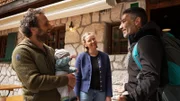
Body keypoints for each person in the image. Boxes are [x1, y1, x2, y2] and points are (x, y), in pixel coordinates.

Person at [11, 8, 76, 101]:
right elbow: (33, 82)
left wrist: (70, 79)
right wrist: (66, 80)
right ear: (33, 29)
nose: (51, 26)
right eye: (46, 24)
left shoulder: (49, 50)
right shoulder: (21, 52)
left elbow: (58, 70)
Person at [118, 7, 167, 101]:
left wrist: (131, 98)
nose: (120, 26)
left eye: (123, 21)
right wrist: (126, 86)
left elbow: (151, 78)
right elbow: (139, 74)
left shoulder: (147, 42)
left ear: (137, 21)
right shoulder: (140, 42)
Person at [74, 32, 113, 101]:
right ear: (85, 44)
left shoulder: (105, 57)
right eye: (89, 40)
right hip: (85, 93)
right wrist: (76, 95)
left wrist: (108, 95)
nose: (93, 41)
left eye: (93, 39)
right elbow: (77, 77)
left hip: (101, 93)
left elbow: (108, 76)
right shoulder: (81, 57)